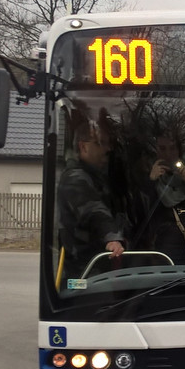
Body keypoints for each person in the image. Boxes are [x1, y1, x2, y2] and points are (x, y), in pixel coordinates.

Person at [57, 120, 127, 279]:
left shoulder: (97, 176)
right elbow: (93, 210)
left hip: (97, 268)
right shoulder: (75, 178)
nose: (108, 149)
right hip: (83, 276)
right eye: (101, 143)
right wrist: (112, 237)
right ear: (83, 147)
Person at [135, 133, 185, 260]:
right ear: (155, 151)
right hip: (160, 248)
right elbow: (140, 215)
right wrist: (151, 182)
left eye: (172, 148)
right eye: (162, 148)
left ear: (179, 151)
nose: (168, 154)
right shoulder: (143, 176)